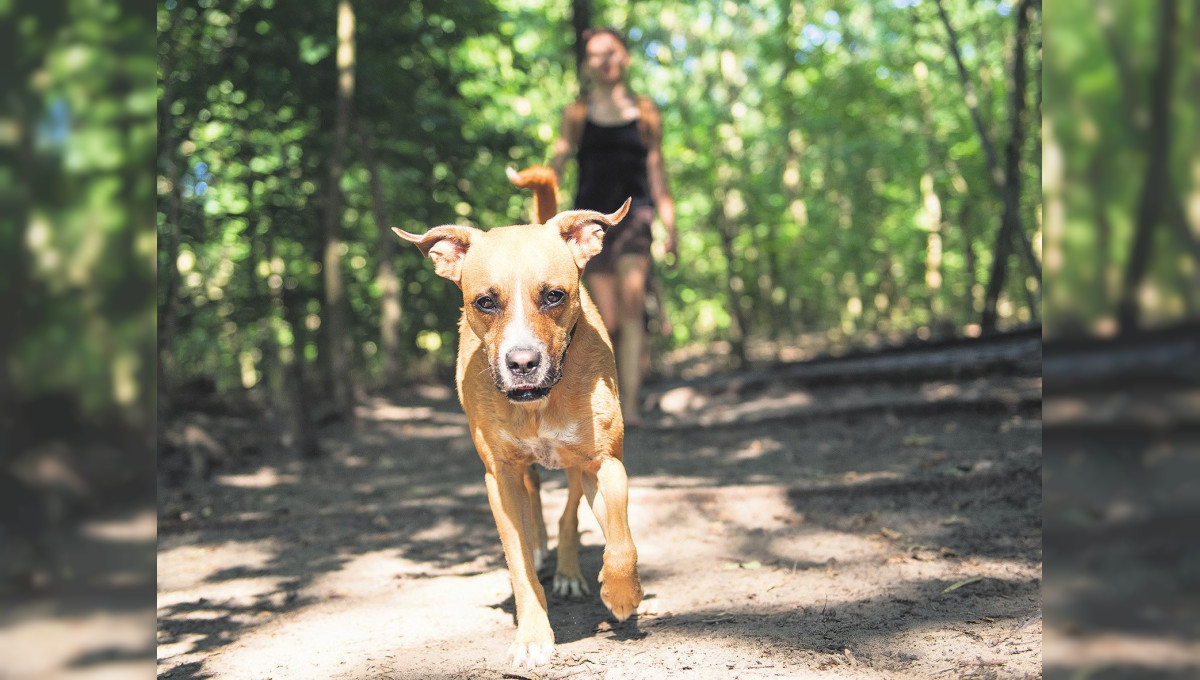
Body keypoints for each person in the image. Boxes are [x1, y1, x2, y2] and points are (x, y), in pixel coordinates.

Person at [550, 26, 676, 427]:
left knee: (633, 301)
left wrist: (671, 226)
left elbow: (657, 169)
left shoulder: (646, 111)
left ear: (625, 58)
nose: (605, 61)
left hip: (636, 214)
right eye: (596, 55)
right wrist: (543, 217)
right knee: (608, 318)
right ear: (587, 64)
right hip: (590, 223)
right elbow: (557, 164)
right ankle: (610, 399)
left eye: (612, 52)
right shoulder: (577, 113)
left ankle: (633, 408)